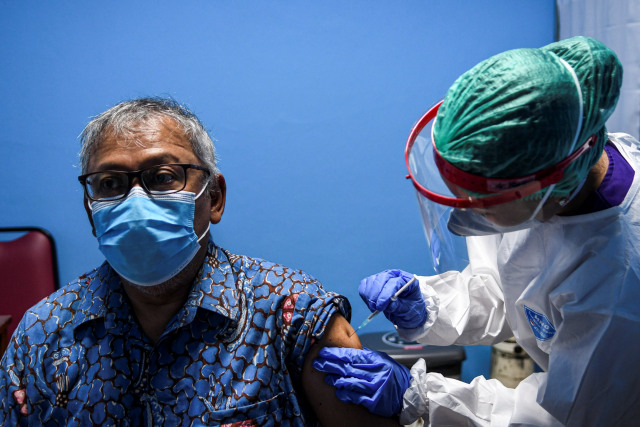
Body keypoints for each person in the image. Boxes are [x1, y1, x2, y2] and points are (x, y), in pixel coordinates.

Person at [0, 97, 400, 426]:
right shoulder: (43, 337)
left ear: (215, 198)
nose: (135, 201)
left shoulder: (294, 316)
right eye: (111, 184)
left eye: (163, 176)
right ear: (91, 211)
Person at [314, 36, 640, 426]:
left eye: (480, 205)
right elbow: (513, 288)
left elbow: (567, 417)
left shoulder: (616, 283)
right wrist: (428, 304)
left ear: (543, 186)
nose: (461, 220)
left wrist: (421, 398)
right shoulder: (542, 177)